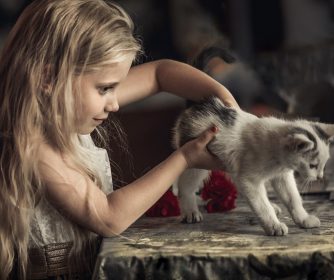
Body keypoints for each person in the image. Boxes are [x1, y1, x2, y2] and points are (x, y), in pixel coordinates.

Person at [0, 0, 238, 279]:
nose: (114, 103)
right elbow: (108, 218)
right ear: (48, 78)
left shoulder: (65, 102)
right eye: (105, 89)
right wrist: (185, 158)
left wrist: (224, 100)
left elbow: (160, 74)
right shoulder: (34, 146)